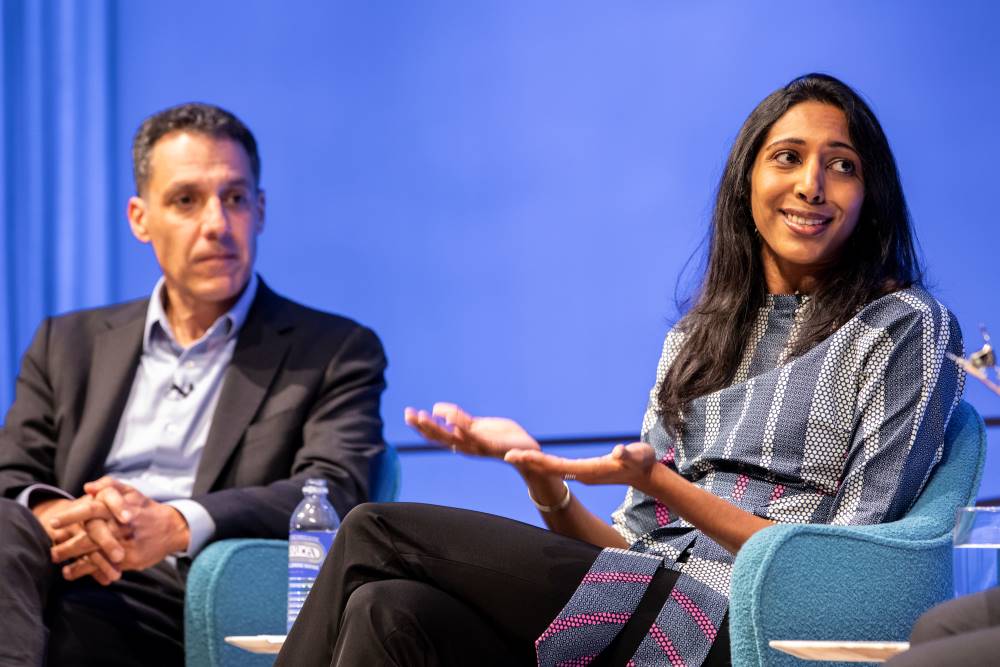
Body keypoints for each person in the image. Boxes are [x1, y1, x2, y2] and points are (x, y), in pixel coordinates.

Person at [275, 73, 964, 667]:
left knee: (372, 531)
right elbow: (632, 547)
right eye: (788, 157)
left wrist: (663, 480)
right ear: (748, 179)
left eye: (842, 165)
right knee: (386, 608)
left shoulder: (903, 326)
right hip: (647, 609)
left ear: (870, 192)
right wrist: (543, 479)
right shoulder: (698, 338)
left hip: (754, 624)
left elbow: (837, 565)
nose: (812, 184)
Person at [0, 103, 387, 666]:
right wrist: (69, 522)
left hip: (183, 593)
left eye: (234, 198)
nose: (215, 224)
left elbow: (335, 488)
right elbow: (13, 477)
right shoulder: (69, 341)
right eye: (186, 201)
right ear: (140, 218)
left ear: (260, 209)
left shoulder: (331, 350)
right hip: (51, 569)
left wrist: (175, 524)